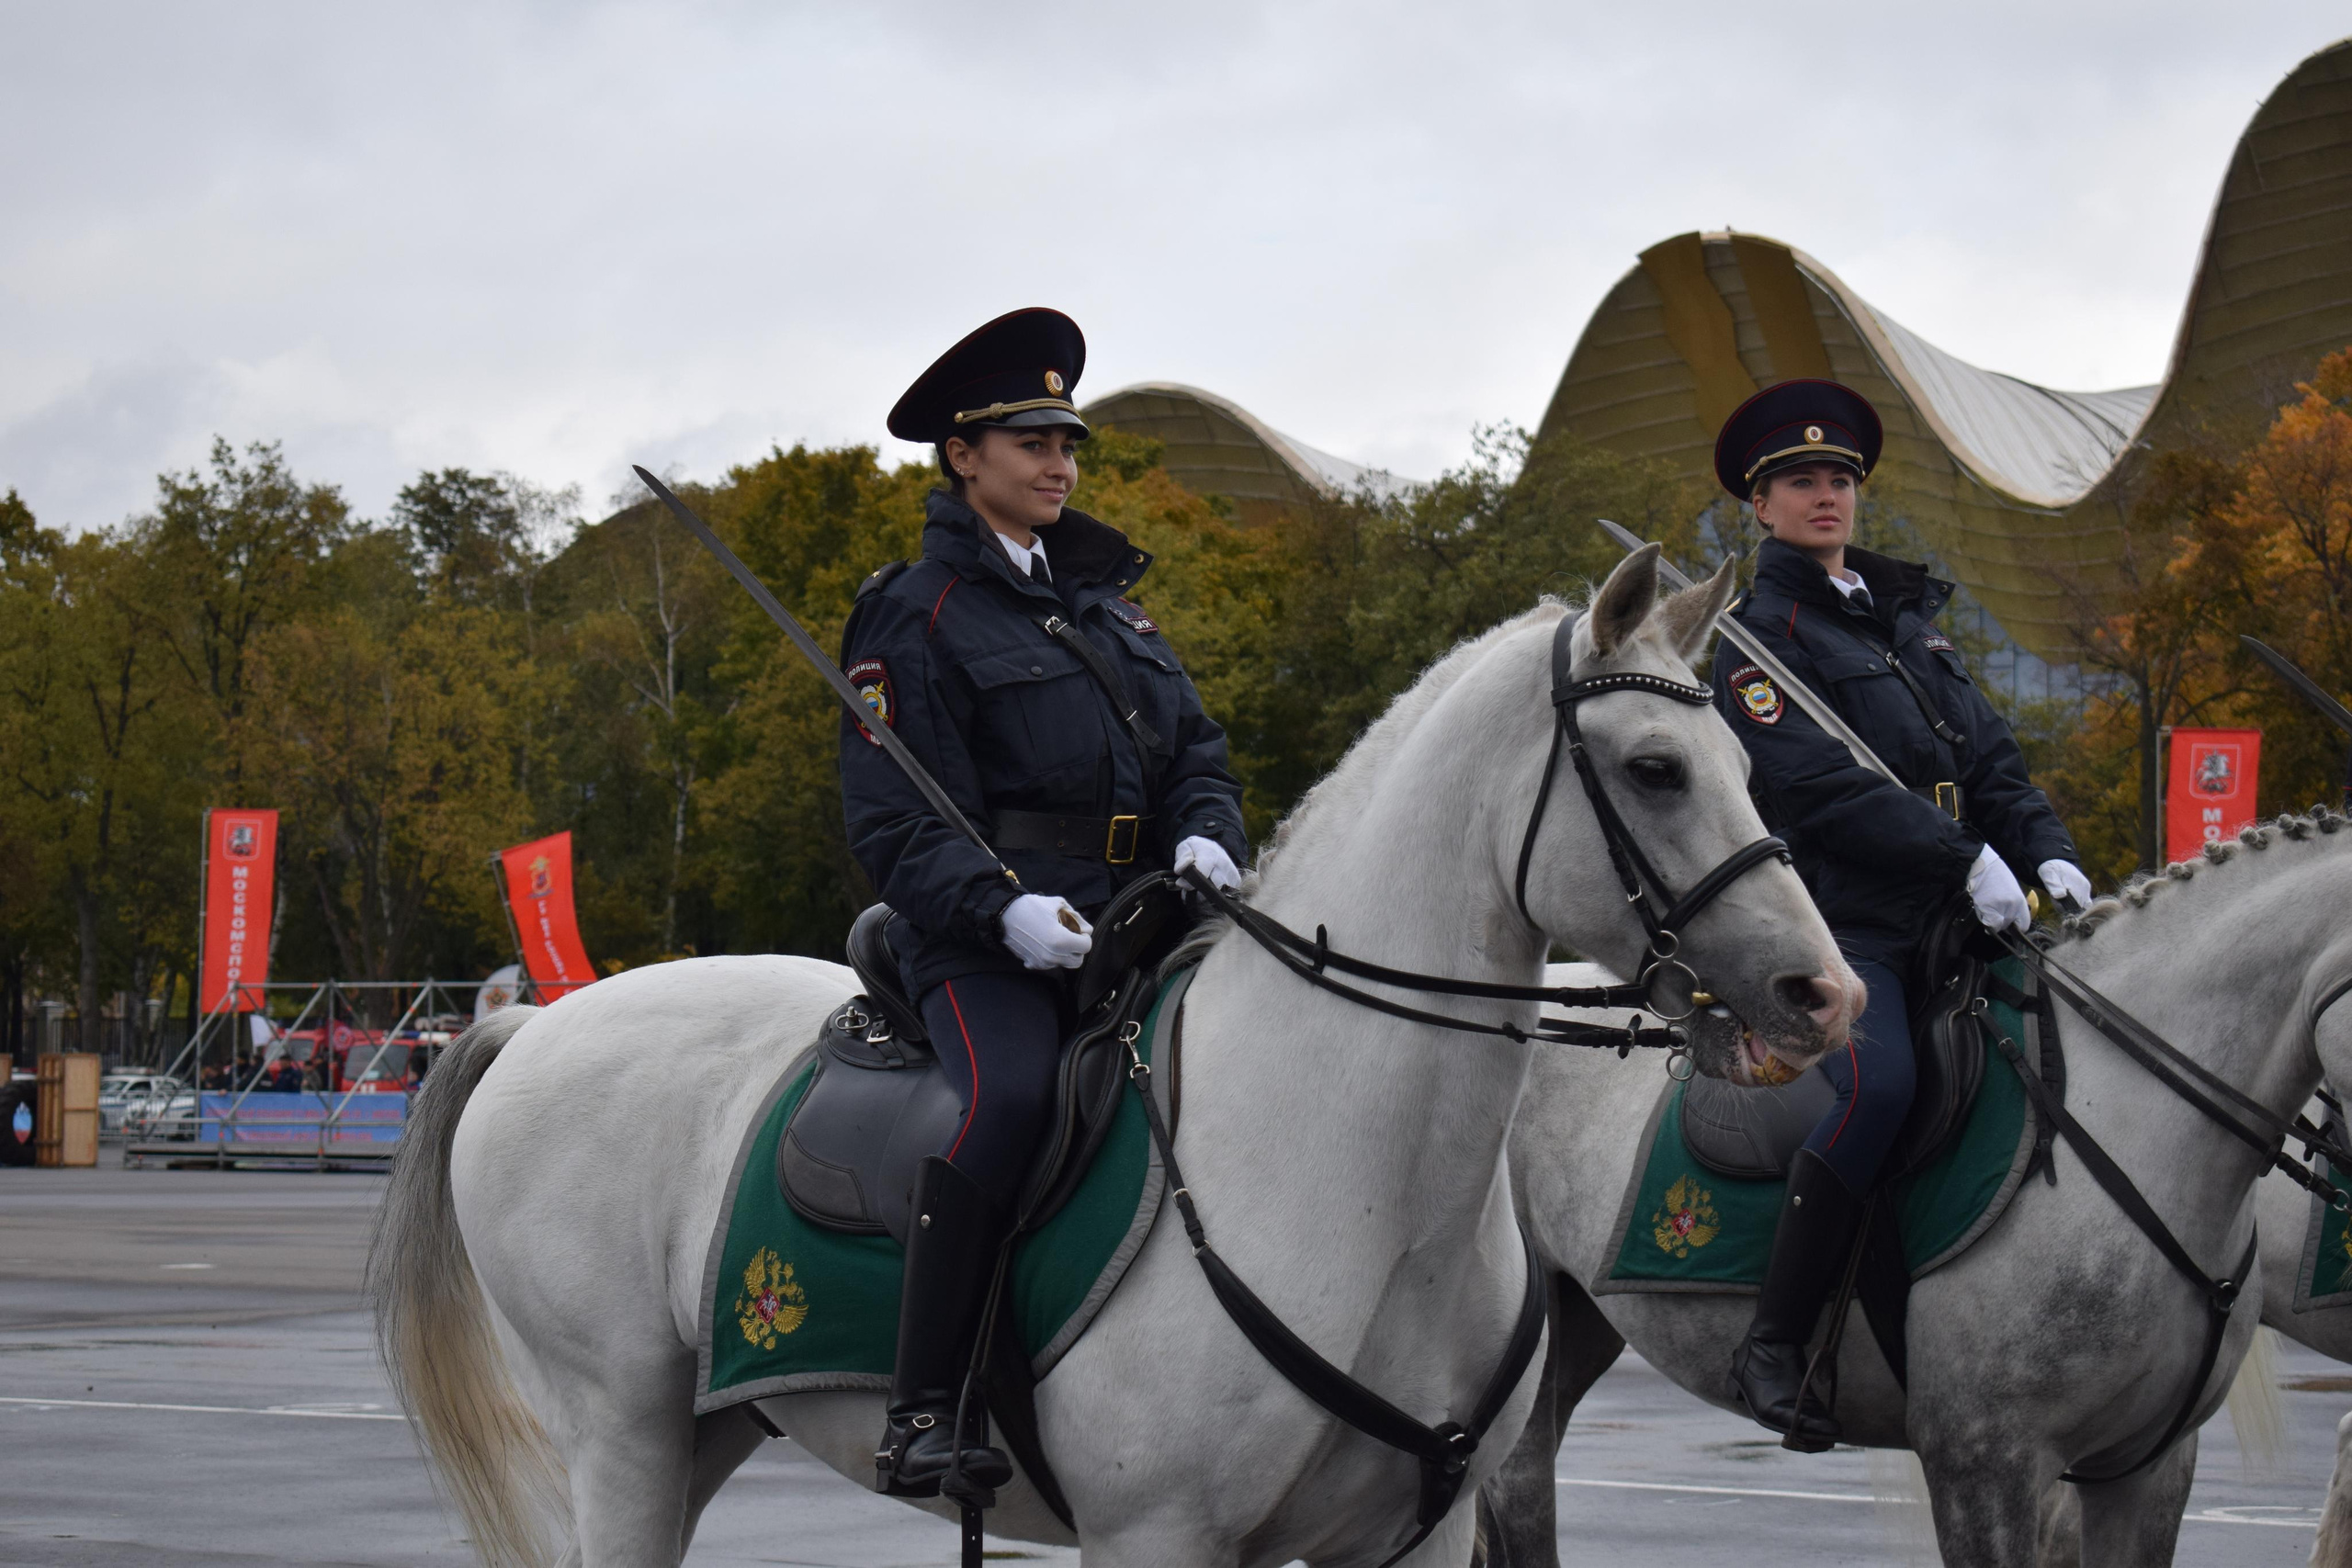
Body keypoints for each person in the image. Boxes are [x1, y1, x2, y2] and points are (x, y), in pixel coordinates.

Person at [839, 307, 1249, 1496]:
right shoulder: (911, 611)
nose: (1059, 461)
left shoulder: (1112, 607)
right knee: (1012, 1098)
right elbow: (895, 817)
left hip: (1144, 917)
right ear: (964, 456)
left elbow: (1198, 755)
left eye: (1067, 438)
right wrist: (998, 906)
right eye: (1031, 439)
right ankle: (926, 1404)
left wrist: (1211, 837)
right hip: (991, 940)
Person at [1705, 379, 2092, 1443]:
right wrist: (1960, 855)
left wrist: (2049, 855)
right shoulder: (1752, 646)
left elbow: (1995, 763)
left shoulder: (1910, 624)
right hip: (1853, 927)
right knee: (1880, 1088)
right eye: (1798, 481)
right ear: (1761, 504)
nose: (1823, 494)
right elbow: (1821, 790)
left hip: (1970, 921)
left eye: (1838, 478)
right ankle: (1776, 1341)